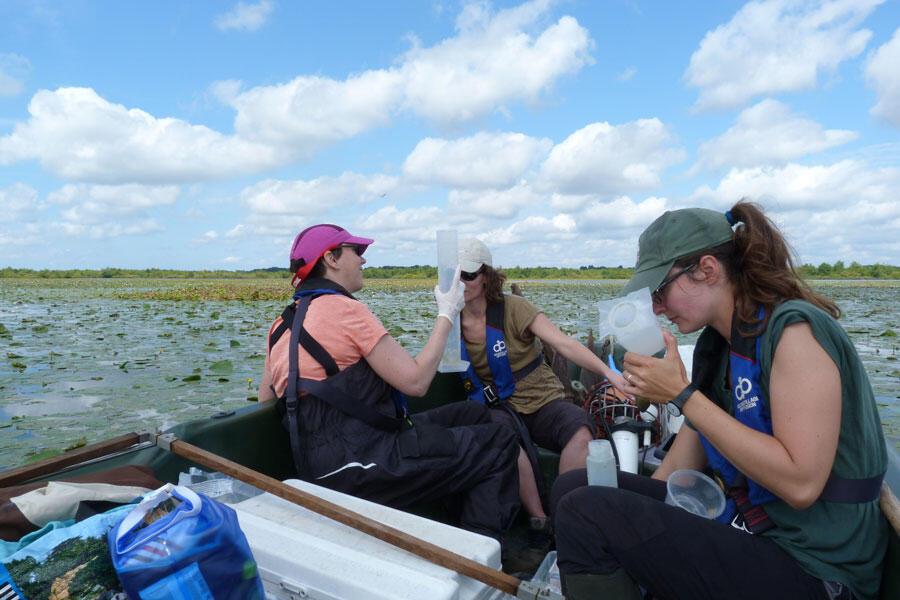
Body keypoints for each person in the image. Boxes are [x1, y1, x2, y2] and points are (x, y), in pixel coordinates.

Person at [551, 202, 888, 600]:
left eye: (661, 290)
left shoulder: (795, 333)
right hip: (752, 530)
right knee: (573, 489)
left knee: (584, 514)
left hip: (816, 567)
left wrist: (680, 394)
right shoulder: (721, 348)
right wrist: (635, 536)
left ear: (708, 270)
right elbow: (678, 468)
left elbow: (801, 486)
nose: (656, 308)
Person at [259, 224, 520, 545]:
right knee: (501, 441)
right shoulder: (346, 310)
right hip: (365, 465)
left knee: (475, 416)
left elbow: (266, 401)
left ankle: (451, 526)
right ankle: (478, 554)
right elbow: (417, 382)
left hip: (320, 466)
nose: (364, 261)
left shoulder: (280, 325)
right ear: (331, 258)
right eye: (357, 252)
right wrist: (447, 312)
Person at [456, 238, 629, 547]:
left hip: (542, 397)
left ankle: (566, 516)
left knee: (579, 429)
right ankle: (540, 520)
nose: (460, 282)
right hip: (498, 404)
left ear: (485, 276)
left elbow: (564, 344)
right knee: (502, 438)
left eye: (468, 275)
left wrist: (608, 373)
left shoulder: (514, 308)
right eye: (454, 275)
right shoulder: (449, 321)